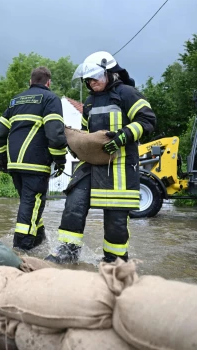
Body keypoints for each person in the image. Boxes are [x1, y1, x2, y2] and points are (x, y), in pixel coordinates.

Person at [45, 51, 156, 264]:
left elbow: (148, 120)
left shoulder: (127, 93)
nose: (91, 81)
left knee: (115, 218)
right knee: (74, 204)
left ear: (110, 72)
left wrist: (123, 136)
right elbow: (86, 131)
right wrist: (78, 145)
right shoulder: (89, 102)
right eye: (88, 78)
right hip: (92, 164)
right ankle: (68, 253)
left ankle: (114, 261)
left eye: (95, 76)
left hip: (120, 165)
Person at [0, 66, 67, 250]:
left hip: (14, 164)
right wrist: (60, 160)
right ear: (48, 83)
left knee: (30, 204)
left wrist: (3, 160)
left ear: (30, 82)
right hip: (35, 164)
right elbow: (55, 133)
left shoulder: (15, 101)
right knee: (31, 205)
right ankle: (21, 250)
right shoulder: (51, 99)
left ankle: (39, 242)